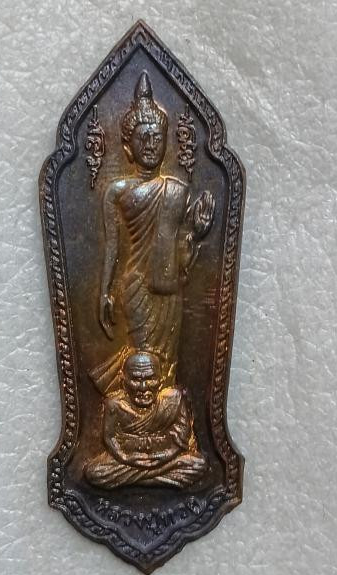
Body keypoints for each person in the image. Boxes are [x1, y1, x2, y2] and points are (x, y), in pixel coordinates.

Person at [90, 71, 214, 395]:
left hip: (169, 290)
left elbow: (180, 253)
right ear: (128, 147)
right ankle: (132, 412)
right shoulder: (116, 191)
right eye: (142, 139)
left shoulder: (177, 190)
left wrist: (195, 231)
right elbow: (112, 247)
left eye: (157, 138)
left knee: (167, 366)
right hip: (137, 287)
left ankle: (164, 416)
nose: (150, 146)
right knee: (143, 360)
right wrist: (104, 292)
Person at [85, 351, 206, 489]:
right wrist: (125, 457)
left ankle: (134, 480)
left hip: (165, 456)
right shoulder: (115, 404)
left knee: (198, 464)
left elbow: (183, 435)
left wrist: (166, 455)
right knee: (95, 472)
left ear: (161, 381)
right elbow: (110, 437)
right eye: (136, 380)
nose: (143, 387)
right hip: (129, 458)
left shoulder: (174, 399)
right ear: (123, 381)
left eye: (150, 379)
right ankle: (158, 478)